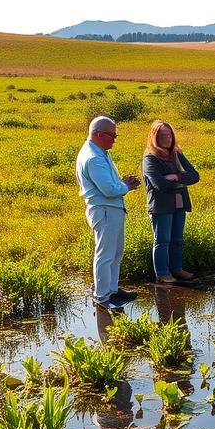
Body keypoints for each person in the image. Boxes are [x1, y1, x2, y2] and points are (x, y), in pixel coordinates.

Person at [75, 116, 141, 310]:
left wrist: (120, 183)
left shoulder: (100, 151)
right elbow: (109, 190)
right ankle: (102, 297)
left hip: (111, 210)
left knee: (116, 252)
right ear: (99, 134)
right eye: (112, 135)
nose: (115, 139)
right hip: (104, 211)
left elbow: (109, 184)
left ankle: (112, 290)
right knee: (105, 254)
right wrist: (125, 185)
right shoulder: (93, 157)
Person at [142, 121, 200, 284]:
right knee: (162, 240)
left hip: (179, 203)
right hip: (161, 206)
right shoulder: (150, 158)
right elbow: (160, 184)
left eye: (169, 135)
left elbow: (195, 176)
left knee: (177, 239)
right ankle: (162, 273)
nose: (167, 138)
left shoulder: (176, 154)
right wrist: (179, 179)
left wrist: (175, 177)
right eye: (163, 135)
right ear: (155, 137)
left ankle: (177, 269)